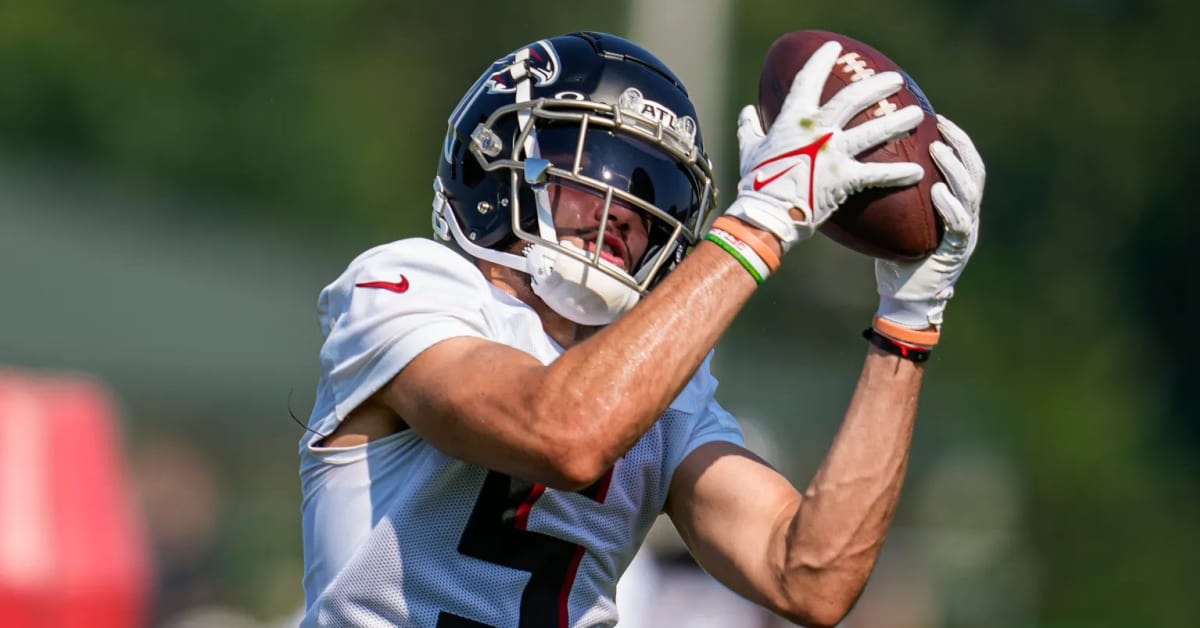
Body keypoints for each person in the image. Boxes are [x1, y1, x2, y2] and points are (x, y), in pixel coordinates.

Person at [299, 31, 984, 628]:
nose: (627, 210)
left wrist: (907, 326)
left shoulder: (660, 387)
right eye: (600, 167)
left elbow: (808, 577)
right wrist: (760, 223)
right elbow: (561, 434)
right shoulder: (407, 284)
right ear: (504, 154)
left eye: (654, 189)